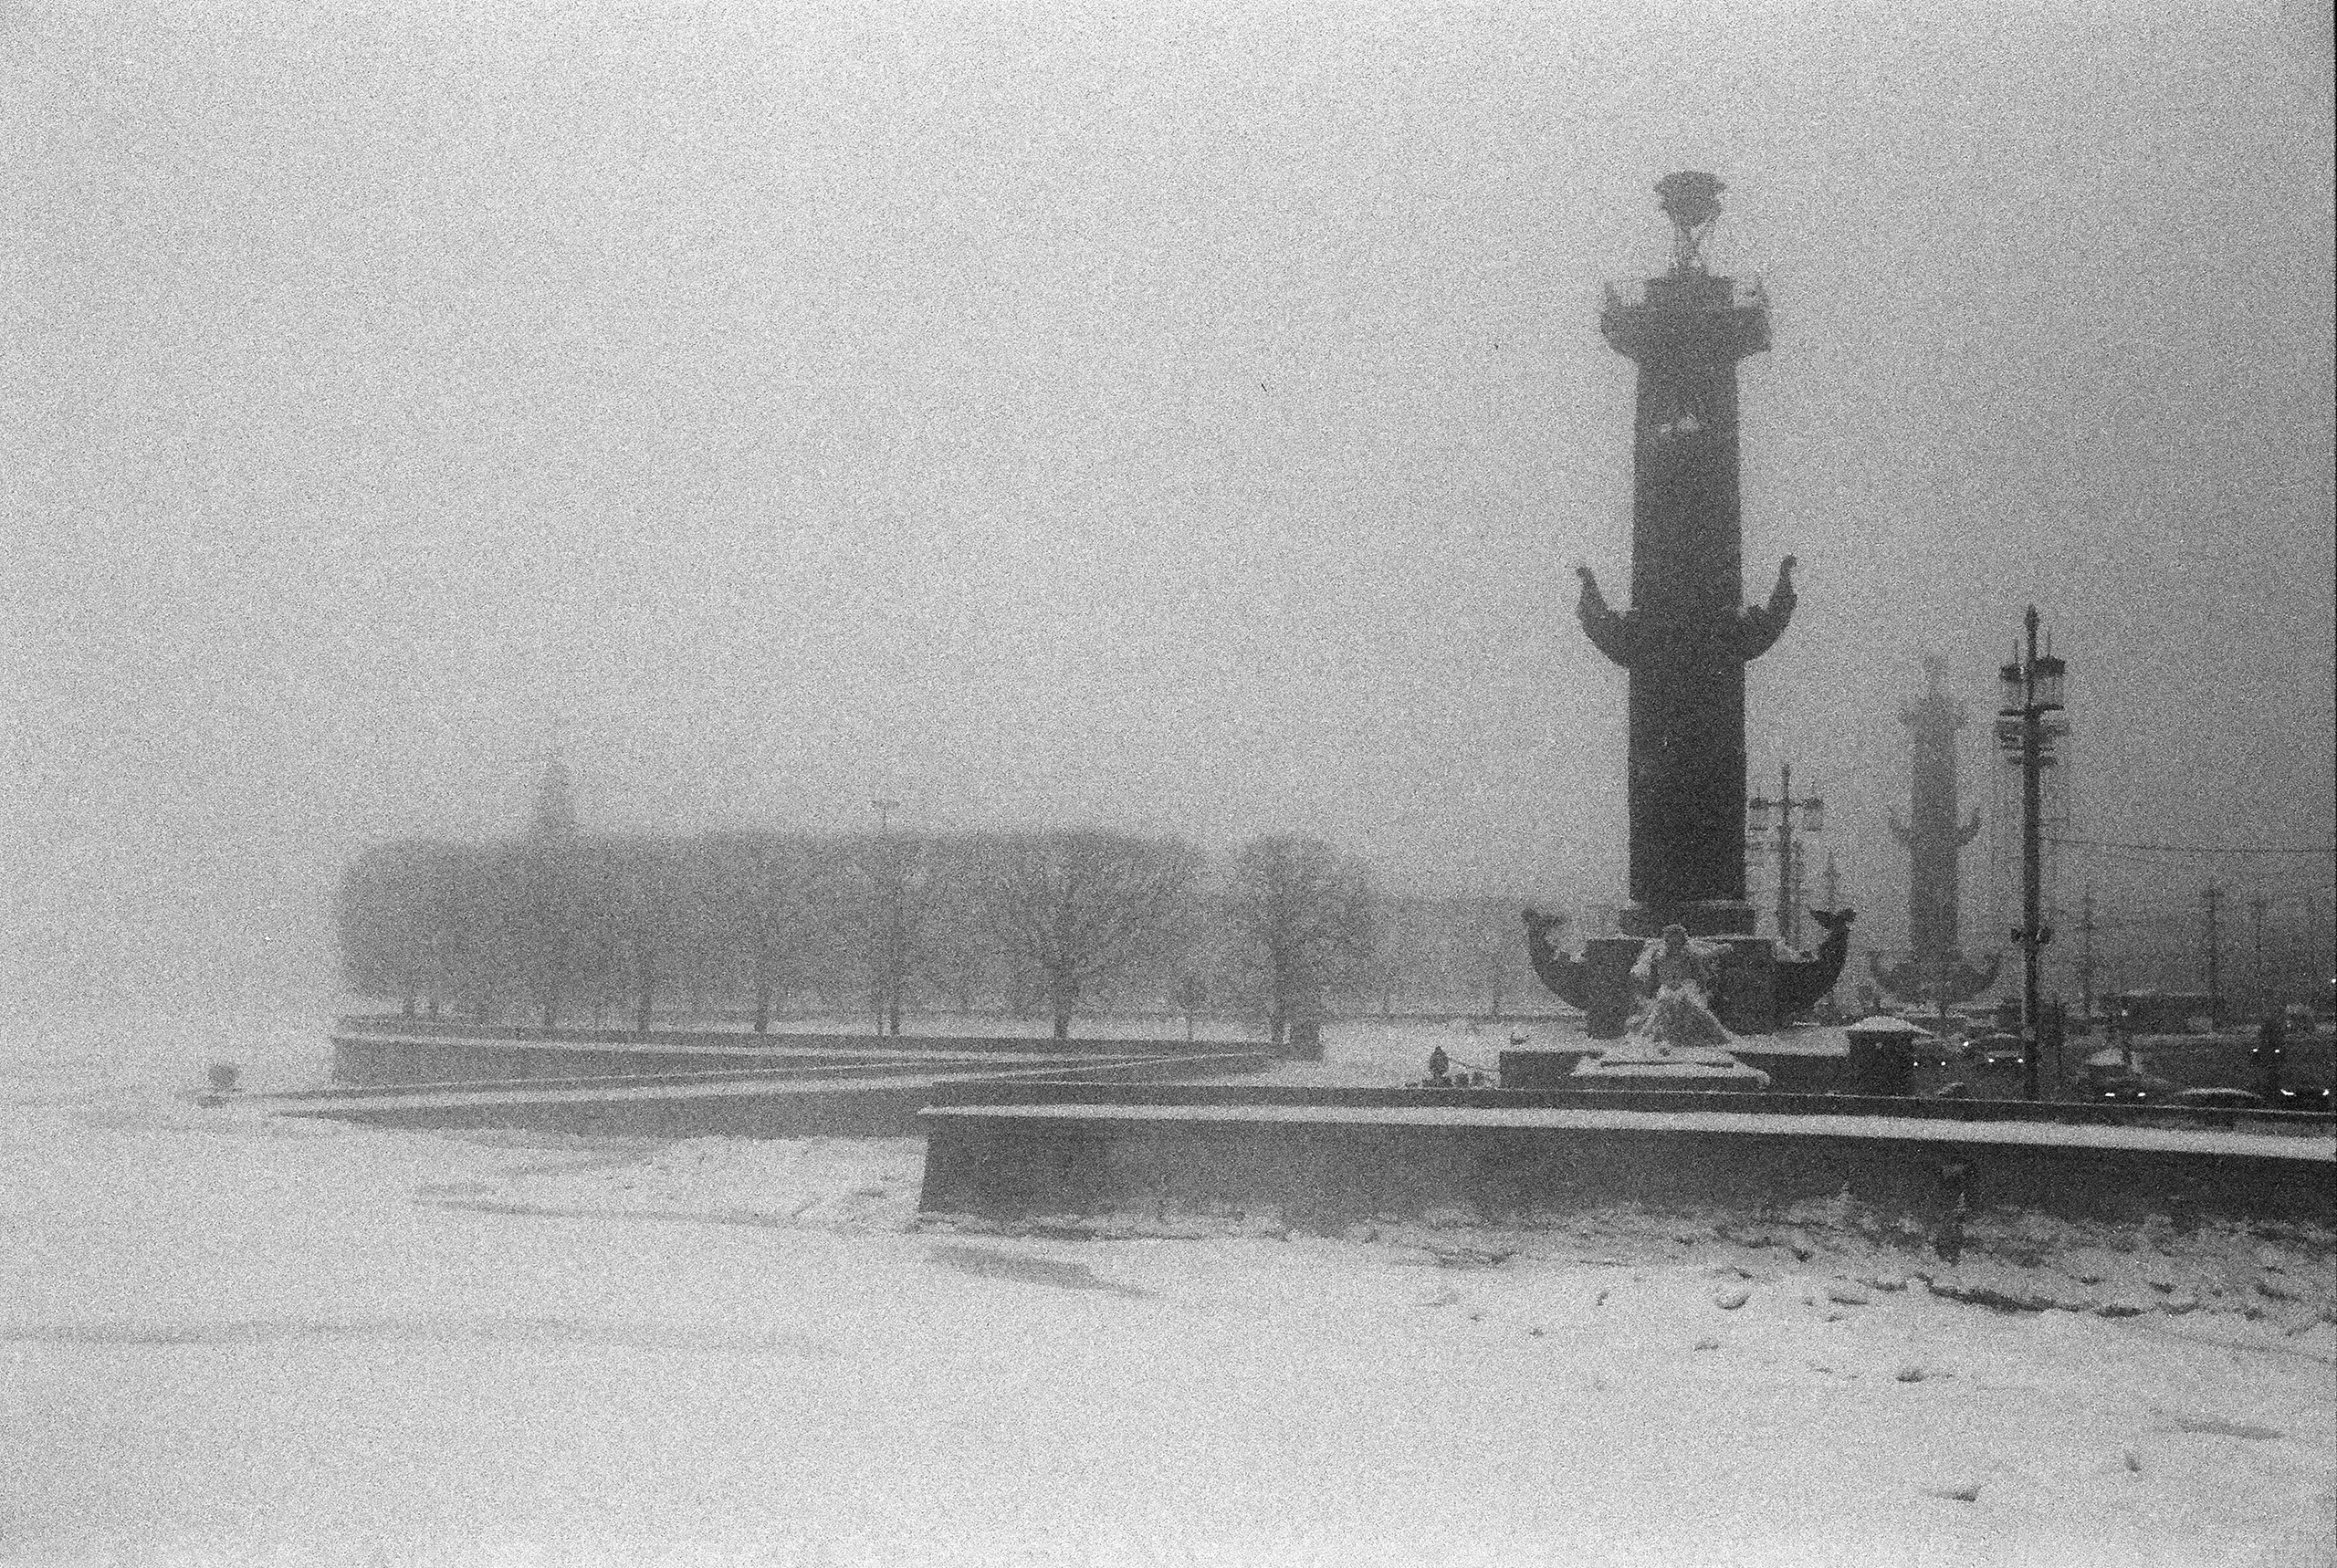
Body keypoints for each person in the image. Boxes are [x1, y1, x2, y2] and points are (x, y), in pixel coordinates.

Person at [1625, 925, 1734, 1053]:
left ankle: (1690, 1038)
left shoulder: (1689, 955)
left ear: (1682, 942)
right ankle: (1662, 1039)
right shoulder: (1659, 956)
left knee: (1692, 1008)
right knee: (1661, 1009)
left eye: (1678, 943)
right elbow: (1651, 976)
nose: (1675, 947)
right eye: (1672, 943)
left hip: (1684, 988)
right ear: (1667, 942)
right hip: (1667, 989)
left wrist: (1701, 988)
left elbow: (1701, 968)